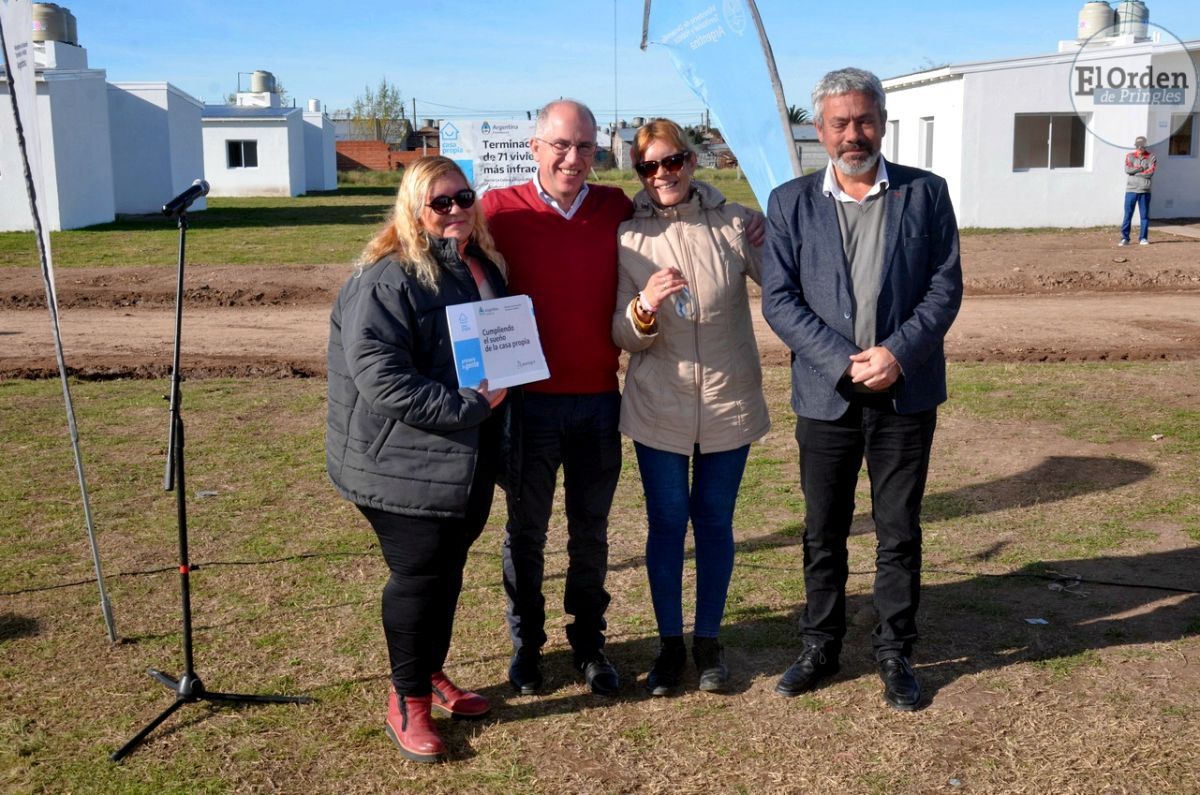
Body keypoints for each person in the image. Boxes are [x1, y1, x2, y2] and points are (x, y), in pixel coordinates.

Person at [761, 67, 963, 711]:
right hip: (828, 394)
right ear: (819, 130)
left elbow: (944, 286)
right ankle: (820, 644)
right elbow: (780, 300)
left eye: (865, 119)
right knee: (823, 528)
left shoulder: (926, 193)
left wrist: (898, 354)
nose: (855, 133)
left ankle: (895, 648)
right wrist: (843, 361)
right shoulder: (790, 201)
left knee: (898, 529)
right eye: (840, 123)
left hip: (905, 392)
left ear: (882, 120)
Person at [326, 156, 508, 762]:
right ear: (413, 208)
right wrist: (466, 407)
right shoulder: (388, 277)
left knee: (446, 571)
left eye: (464, 197)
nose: (456, 210)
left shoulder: (478, 266)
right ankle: (407, 699)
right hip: (400, 465)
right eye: (441, 203)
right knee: (419, 576)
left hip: (465, 457)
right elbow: (382, 378)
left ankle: (426, 670)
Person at [481, 100, 634, 696]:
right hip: (527, 407)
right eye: (563, 145)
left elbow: (681, 207)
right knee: (526, 533)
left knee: (591, 532)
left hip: (599, 400)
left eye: (587, 147)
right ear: (535, 147)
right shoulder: (497, 210)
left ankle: (589, 645)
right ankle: (527, 648)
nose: (575, 158)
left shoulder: (615, 207)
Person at [612, 119, 768, 696]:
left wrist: (771, 235)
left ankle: (709, 642)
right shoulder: (627, 238)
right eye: (648, 167)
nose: (662, 175)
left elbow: (782, 284)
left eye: (672, 162)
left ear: (692, 162)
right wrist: (644, 307)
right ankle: (669, 646)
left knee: (715, 524)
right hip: (659, 408)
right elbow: (622, 334)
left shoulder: (734, 224)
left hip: (729, 403)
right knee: (667, 525)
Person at [1120, 135, 1156, 246]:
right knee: (1128, 215)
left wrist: (1135, 172)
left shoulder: (1151, 157)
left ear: (1145, 146)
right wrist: (1140, 169)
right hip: (1131, 190)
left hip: (1144, 190)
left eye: (1142, 146)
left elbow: (1150, 172)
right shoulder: (1130, 156)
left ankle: (1143, 238)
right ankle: (1125, 238)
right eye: (1138, 146)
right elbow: (1127, 170)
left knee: (1144, 216)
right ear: (1135, 146)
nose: (1140, 148)